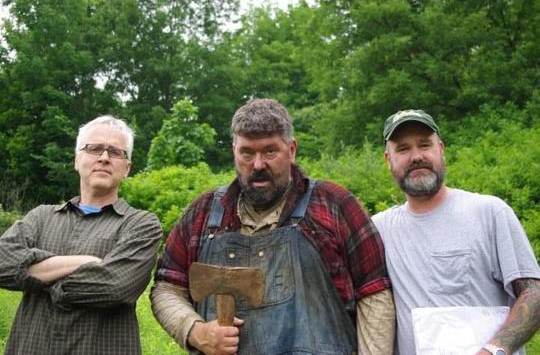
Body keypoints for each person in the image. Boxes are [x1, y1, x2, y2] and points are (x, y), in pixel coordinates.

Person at [151, 98, 395, 355]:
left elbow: (374, 293)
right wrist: (196, 331)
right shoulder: (204, 213)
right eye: (247, 153)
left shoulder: (333, 204)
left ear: (291, 149)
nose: (258, 165)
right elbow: (167, 287)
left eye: (270, 152)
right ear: (234, 150)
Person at [372, 109, 540, 355]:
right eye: (403, 149)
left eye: (425, 145)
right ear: (388, 160)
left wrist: (494, 350)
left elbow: (533, 293)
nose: (416, 156)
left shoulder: (489, 213)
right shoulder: (378, 230)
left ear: (441, 148)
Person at [0, 115, 162, 355]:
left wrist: (35, 275)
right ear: (77, 159)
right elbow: (2, 265)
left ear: (126, 168)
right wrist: (86, 262)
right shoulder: (40, 217)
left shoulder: (141, 225)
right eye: (94, 148)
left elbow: (113, 288)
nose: (104, 158)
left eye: (116, 152)